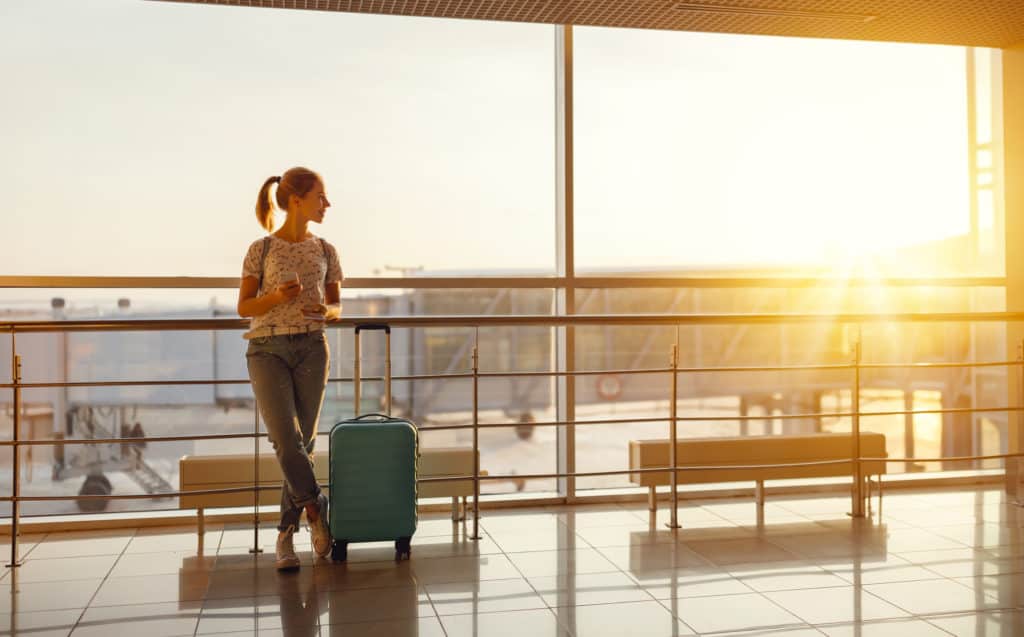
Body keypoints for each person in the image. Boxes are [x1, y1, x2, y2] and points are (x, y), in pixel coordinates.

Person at [237, 167, 343, 570]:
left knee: (305, 443)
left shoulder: (326, 249)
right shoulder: (261, 249)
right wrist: (277, 296)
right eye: (321, 196)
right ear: (296, 200)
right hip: (267, 349)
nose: (327, 204)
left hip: (313, 348)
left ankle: (285, 536)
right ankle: (315, 507)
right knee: (286, 438)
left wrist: (326, 312)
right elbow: (244, 307)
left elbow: (336, 306)